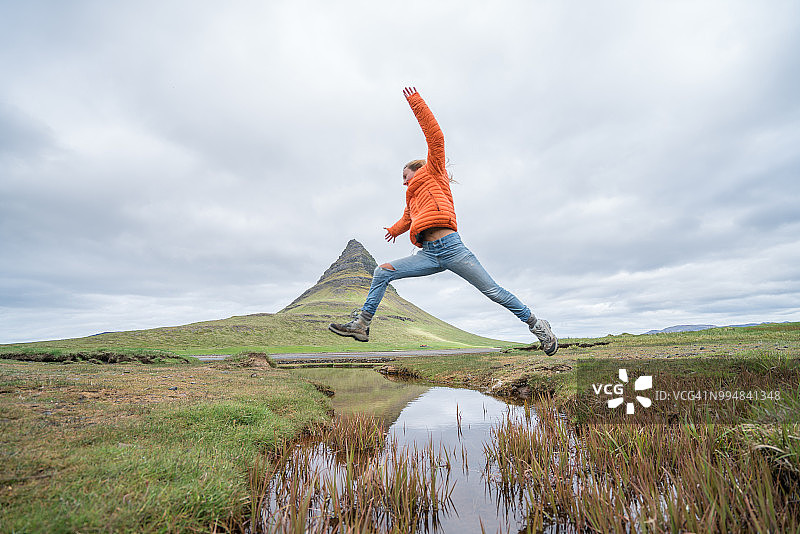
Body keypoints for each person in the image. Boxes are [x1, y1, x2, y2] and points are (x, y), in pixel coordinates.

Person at [328, 87, 557, 355]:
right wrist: (394, 230)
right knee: (382, 272)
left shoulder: (433, 172)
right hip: (428, 255)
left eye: (405, 176)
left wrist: (415, 102)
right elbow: (407, 219)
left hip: (452, 249)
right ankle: (362, 325)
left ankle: (537, 326)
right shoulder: (411, 198)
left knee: (493, 292)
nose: (403, 182)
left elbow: (435, 137)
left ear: (417, 170)